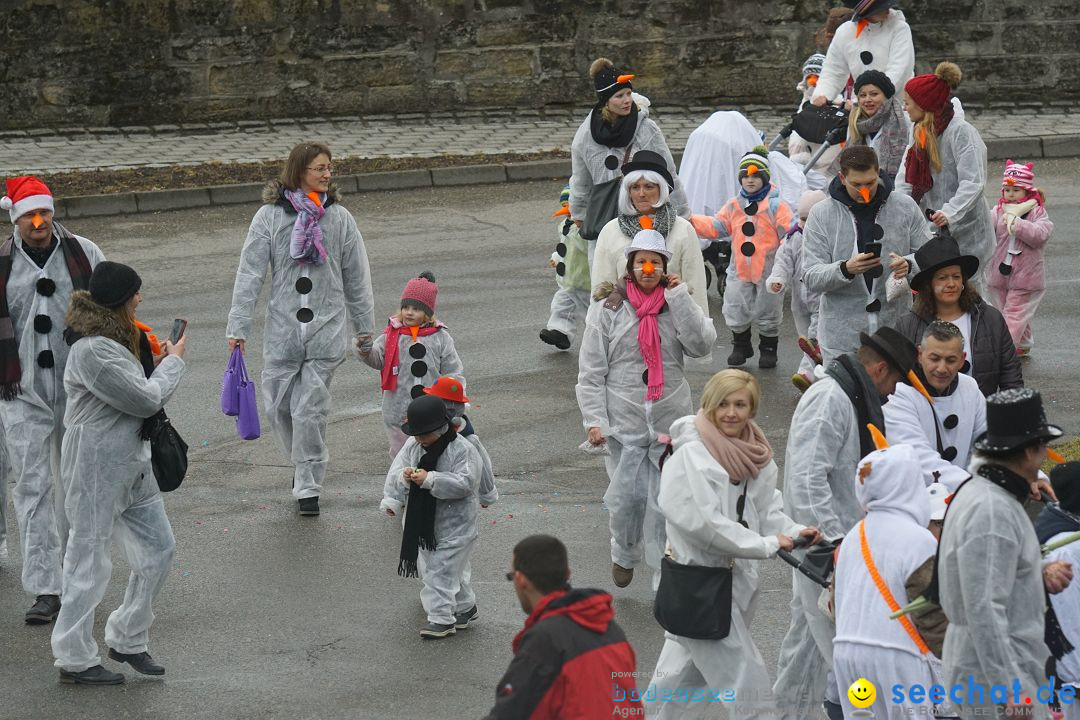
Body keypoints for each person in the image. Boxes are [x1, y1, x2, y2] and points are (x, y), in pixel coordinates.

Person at [645, 370, 820, 719]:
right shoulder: (690, 457)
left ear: (752, 409)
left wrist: (797, 532)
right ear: (708, 405)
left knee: (682, 680)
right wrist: (766, 544)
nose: (731, 413)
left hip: (727, 587)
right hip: (698, 586)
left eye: (740, 404)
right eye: (723, 404)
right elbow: (703, 525)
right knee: (745, 679)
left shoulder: (755, 456)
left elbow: (767, 511)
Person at [50, 262, 187, 685]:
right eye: (136, 293)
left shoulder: (119, 338)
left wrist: (158, 358)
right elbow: (145, 398)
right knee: (87, 560)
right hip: (94, 462)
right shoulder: (92, 349)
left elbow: (136, 383)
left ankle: (127, 637)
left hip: (132, 462)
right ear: (120, 299)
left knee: (159, 550)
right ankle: (74, 658)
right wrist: (174, 363)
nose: (141, 299)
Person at [772, 326, 917, 720]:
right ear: (880, 370)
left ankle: (785, 714)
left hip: (830, 546)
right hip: (824, 549)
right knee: (844, 651)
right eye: (895, 384)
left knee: (806, 643)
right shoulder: (829, 399)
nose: (891, 395)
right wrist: (834, 547)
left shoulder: (845, 394)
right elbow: (805, 479)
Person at [227, 142, 375, 517]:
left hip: (327, 330)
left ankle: (308, 483)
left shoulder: (340, 218)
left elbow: (356, 275)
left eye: (329, 168)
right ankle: (302, 463)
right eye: (319, 168)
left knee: (310, 409)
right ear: (298, 172)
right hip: (283, 332)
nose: (327, 175)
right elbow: (250, 274)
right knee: (278, 407)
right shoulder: (269, 218)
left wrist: (363, 327)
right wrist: (238, 325)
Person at [577, 229, 716, 588]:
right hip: (624, 423)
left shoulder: (676, 304)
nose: (648, 269)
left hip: (669, 421)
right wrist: (594, 420)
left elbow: (701, 346)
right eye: (642, 262)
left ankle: (662, 575)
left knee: (664, 504)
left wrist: (681, 297)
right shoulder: (608, 309)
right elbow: (591, 372)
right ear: (631, 266)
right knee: (627, 500)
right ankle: (623, 552)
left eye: (655, 263)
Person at [0, 176, 105, 624]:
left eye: (44, 214)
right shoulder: (2, 263)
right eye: (29, 216)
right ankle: (45, 587)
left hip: (78, 388)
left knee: (77, 484)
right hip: (20, 390)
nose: (39, 223)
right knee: (32, 485)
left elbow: (112, 310)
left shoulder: (85, 253)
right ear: (16, 219)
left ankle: (77, 572)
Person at [938, 388, 1072, 715]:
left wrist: (1034, 574)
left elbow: (986, 577)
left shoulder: (982, 490)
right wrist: (1011, 687)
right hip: (995, 675)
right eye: (1042, 449)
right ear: (1028, 452)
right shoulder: (993, 511)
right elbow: (984, 606)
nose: (1043, 459)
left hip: (989, 664)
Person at [833, 444, 956, 719]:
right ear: (908, 485)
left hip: (847, 654)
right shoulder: (918, 539)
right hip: (896, 659)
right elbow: (931, 614)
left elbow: (837, 599)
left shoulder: (854, 535)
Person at [484, 535, 642, 719]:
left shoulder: (546, 640)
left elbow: (510, 712)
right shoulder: (610, 628)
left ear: (520, 580)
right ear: (568, 573)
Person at [801, 145, 927, 366]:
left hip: (895, 328)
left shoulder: (905, 207)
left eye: (870, 183)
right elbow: (811, 276)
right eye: (856, 184)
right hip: (841, 335)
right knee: (847, 398)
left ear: (878, 172)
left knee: (894, 397)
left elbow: (928, 254)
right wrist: (845, 269)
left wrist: (909, 264)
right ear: (841, 177)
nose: (865, 191)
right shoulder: (821, 214)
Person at [380, 395, 482, 639]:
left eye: (424, 434)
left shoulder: (462, 449)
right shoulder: (413, 446)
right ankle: (465, 607)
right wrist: (397, 491)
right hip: (422, 524)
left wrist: (430, 479)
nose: (419, 439)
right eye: (416, 434)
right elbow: (396, 471)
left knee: (440, 571)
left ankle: (440, 619)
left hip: (457, 525)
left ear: (442, 427)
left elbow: (466, 483)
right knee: (444, 570)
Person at [569, 58, 688, 252]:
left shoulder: (646, 129)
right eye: (619, 96)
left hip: (645, 217)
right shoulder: (585, 136)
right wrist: (579, 214)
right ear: (605, 101)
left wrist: (683, 214)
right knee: (608, 277)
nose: (626, 100)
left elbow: (669, 173)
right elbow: (581, 180)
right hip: (605, 218)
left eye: (629, 94)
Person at [692, 147, 794, 368]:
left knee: (769, 309)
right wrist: (689, 220)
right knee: (735, 305)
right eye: (745, 176)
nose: (750, 180)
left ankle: (768, 347)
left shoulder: (776, 206)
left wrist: (787, 257)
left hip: (768, 269)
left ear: (765, 178)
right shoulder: (734, 205)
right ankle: (741, 344)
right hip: (739, 269)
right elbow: (717, 226)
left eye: (756, 175)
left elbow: (790, 232)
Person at [895, 62, 995, 280]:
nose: (904, 108)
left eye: (908, 103)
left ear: (924, 104)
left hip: (967, 228)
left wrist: (950, 213)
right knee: (938, 289)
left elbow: (973, 182)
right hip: (934, 225)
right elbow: (906, 177)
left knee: (969, 287)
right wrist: (900, 208)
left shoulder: (961, 133)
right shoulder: (919, 130)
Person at [893, 233, 1022, 396]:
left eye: (956, 276)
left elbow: (1011, 377)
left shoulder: (991, 320)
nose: (951, 284)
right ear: (928, 285)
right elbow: (898, 382)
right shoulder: (907, 326)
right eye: (942, 278)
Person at [591, 150, 709, 317]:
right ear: (628, 192)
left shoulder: (683, 229)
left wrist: (700, 330)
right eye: (635, 187)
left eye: (649, 186)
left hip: (672, 323)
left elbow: (695, 285)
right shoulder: (611, 231)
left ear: (661, 189)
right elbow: (600, 287)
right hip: (624, 325)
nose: (641, 193)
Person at [360, 272, 463, 457]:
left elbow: (453, 372)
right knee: (401, 455)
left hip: (432, 410)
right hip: (397, 408)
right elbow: (378, 360)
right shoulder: (392, 335)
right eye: (406, 307)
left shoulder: (440, 337)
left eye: (416, 308)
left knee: (431, 452)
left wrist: (452, 404)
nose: (409, 312)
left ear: (428, 312)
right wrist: (365, 350)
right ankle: (401, 483)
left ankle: (427, 480)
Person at [883, 321, 987, 490]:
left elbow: (988, 443)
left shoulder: (969, 387)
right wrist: (974, 487)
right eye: (935, 358)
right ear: (919, 354)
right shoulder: (898, 394)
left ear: (962, 360)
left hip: (962, 497)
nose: (941, 368)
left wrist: (1029, 476)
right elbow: (919, 461)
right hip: (912, 499)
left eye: (951, 360)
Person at [987, 160, 1054, 356]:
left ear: (1027, 191)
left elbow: (1042, 234)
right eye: (1007, 189)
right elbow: (985, 228)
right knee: (1003, 310)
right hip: (1000, 274)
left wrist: (1018, 225)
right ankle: (1022, 343)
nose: (1011, 194)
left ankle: (1003, 351)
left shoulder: (1036, 211)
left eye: (1016, 189)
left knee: (1014, 314)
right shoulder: (998, 211)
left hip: (1027, 277)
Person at [767, 189, 828, 391]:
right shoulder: (794, 237)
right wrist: (778, 279)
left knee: (814, 338)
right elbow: (783, 261)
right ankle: (819, 369)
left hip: (822, 298)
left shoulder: (828, 237)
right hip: (799, 301)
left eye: (811, 218)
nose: (805, 223)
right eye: (802, 218)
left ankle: (806, 373)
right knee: (805, 337)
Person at [1035, 463, 1080, 718]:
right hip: (1067, 683)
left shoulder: (1057, 519)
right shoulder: (1066, 549)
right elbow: (1067, 618)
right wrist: (1076, 681)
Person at [811, 0, 914, 107]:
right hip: (860, 107)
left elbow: (899, 70)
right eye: (880, 7)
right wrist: (822, 95)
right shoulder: (845, 32)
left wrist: (870, 98)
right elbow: (833, 71)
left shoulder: (899, 28)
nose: (887, 9)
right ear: (866, 11)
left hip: (896, 107)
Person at [422, 376, 497, 507]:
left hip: (457, 500)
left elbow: (482, 467)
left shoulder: (468, 440)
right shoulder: (427, 432)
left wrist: (486, 495)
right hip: (425, 494)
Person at [540, 185, 591, 350]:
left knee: (590, 314)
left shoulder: (589, 228)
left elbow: (587, 249)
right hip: (568, 279)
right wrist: (556, 257)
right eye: (564, 207)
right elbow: (565, 246)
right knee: (561, 304)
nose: (568, 211)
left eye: (571, 206)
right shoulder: (564, 225)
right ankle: (560, 332)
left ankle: (601, 337)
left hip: (586, 281)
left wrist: (580, 228)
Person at [846, 69, 910, 181]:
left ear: (886, 96)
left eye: (874, 94)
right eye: (862, 95)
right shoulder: (855, 124)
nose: (867, 100)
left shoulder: (904, 122)